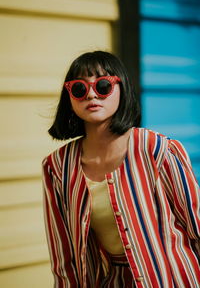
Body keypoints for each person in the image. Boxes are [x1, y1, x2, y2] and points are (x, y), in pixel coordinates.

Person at [42, 50, 200, 288]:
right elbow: (65, 261)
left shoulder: (157, 149)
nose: (92, 94)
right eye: (79, 88)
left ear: (121, 88)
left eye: (103, 85)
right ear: (70, 96)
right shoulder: (57, 167)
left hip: (175, 279)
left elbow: (197, 226)